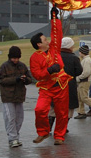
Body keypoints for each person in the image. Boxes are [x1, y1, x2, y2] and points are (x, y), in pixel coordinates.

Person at [30, 7, 72, 145]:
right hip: (46, 87)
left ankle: (59, 135)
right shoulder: (34, 58)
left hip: (61, 84)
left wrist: (55, 18)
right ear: (39, 44)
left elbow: (57, 34)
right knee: (40, 109)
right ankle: (43, 132)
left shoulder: (54, 49)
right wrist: (49, 70)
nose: (47, 41)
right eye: (44, 40)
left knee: (62, 112)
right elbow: (37, 75)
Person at [0, 45, 33, 147]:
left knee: (19, 118)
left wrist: (26, 80)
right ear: (10, 57)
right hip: (8, 97)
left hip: (19, 96)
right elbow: (1, 80)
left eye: (17, 58)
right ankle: (12, 138)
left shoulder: (22, 66)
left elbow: (30, 79)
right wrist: (15, 79)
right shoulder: (4, 66)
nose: (16, 60)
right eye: (14, 58)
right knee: (10, 117)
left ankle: (15, 136)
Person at [60, 37, 83, 120]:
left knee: (55, 106)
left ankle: (50, 126)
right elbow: (79, 71)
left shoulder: (56, 56)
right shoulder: (74, 58)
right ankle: (64, 127)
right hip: (70, 84)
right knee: (69, 106)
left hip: (57, 83)